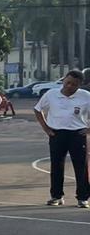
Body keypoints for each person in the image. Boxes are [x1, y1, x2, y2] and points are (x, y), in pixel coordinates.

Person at [34, 69, 90, 206]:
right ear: (64, 79)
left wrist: (89, 129)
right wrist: (46, 128)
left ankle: (82, 198)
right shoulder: (51, 94)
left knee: (81, 166)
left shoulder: (85, 96)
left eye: (74, 84)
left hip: (77, 134)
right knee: (56, 166)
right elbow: (37, 109)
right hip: (57, 134)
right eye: (68, 82)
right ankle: (56, 196)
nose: (70, 86)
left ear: (79, 85)